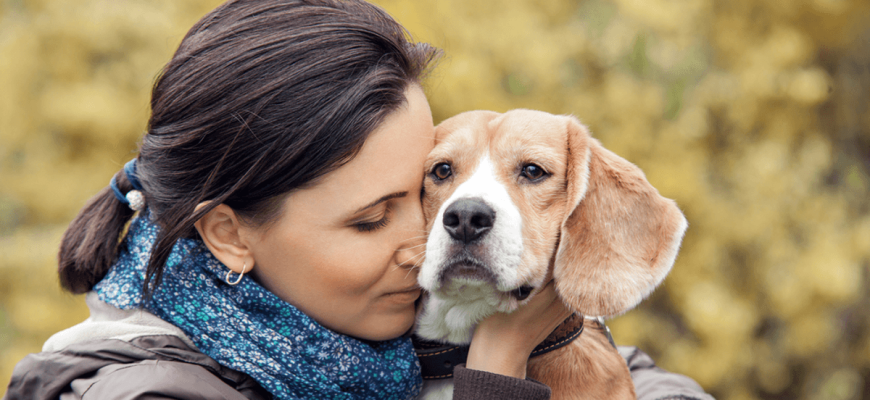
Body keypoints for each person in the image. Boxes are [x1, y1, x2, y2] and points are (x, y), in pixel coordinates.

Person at [3, 1, 714, 399]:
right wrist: (496, 365)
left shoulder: (361, 336)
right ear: (229, 236)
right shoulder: (153, 395)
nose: (421, 241)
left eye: (421, 195)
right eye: (371, 218)